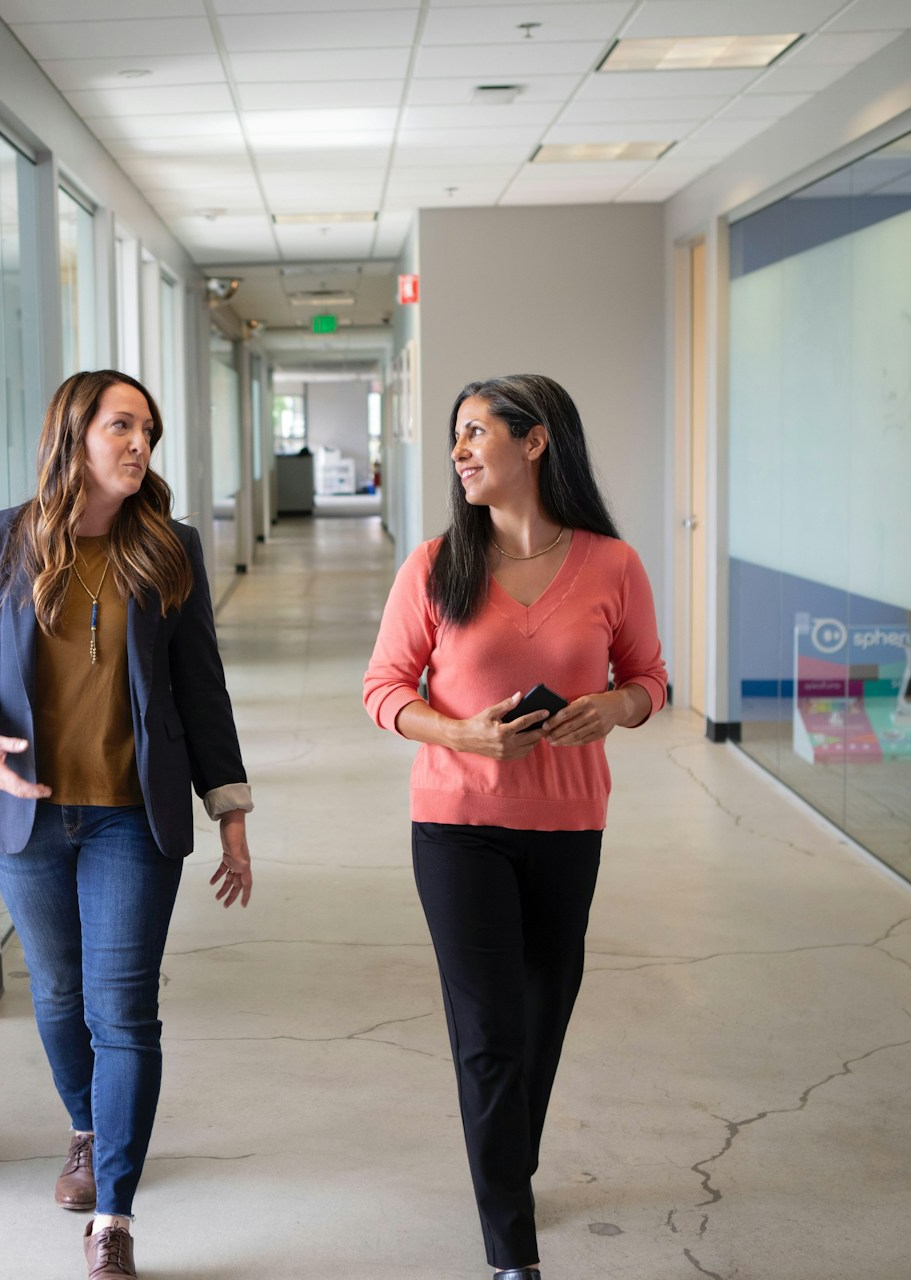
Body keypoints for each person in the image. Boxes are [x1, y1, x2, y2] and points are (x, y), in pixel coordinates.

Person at [0, 369, 255, 1280]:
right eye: (120, 424)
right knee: (59, 996)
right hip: (25, 814)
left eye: (146, 428)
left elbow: (202, 694)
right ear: (73, 432)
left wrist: (229, 811)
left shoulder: (168, 549)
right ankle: (85, 1124)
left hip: (128, 819)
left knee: (125, 1012)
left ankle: (113, 1215)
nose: (137, 442)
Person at [362, 374, 666, 1280]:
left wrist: (612, 705)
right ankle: (512, 1250)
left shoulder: (612, 564)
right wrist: (458, 731)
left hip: (570, 823)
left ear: (535, 444)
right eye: (456, 436)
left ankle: (507, 1163)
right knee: (488, 1028)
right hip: (457, 824)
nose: (458, 452)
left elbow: (652, 680)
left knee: (544, 1011)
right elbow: (383, 690)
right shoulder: (432, 565)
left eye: (475, 433)